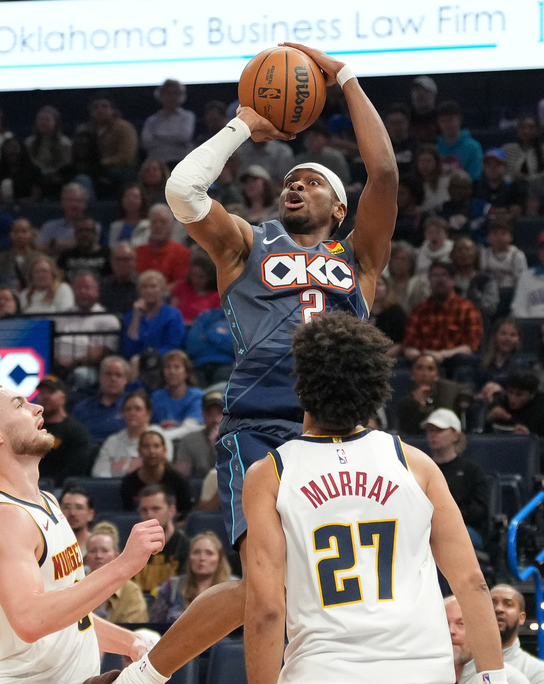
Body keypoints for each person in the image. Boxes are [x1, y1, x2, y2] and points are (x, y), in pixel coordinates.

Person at [108, 43, 398, 684]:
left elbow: (384, 174)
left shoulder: (361, 258)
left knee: (307, 585)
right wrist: (245, 123)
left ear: (340, 208)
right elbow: (183, 189)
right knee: (265, 586)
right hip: (261, 426)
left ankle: (143, 674)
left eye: (313, 180)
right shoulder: (246, 243)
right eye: (290, 180)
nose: (296, 184)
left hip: (342, 431)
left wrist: (344, 77)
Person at [241, 310, 505, 684]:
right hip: (422, 668)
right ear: (374, 388)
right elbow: (472, 582)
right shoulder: (415, 464)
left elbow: (267, 608)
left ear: (301, 388)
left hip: (325, 670)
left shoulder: (270, 474)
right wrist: (492, 678)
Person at [0, 384, 166, 683]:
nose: (37, 408)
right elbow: (31, 619)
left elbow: (69, 616)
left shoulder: (48, 502)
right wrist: (126, 564)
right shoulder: (3, 518)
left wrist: (129, 642)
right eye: (19, 405)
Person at [422, 409, 489, 548]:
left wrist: (448, 517)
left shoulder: (471, 470)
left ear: (455, 435)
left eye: (439, 430)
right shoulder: (421, 468)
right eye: (430, 430)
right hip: (425, 527)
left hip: (462, 528)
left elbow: (479, 509)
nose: (433, 435)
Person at [402, 260, 483, 366]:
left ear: (454, 280)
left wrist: (443, 355)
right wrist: (424, 358)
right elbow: (408, 345)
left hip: (453, 362)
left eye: (444, 275)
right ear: (429, 280)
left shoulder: (467, 308)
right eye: (434, 275)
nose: (439, 280)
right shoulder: (419, 310)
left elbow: (471, 345)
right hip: (421, 362)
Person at [149, 532, 230, 624]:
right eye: (196, 552)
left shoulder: (233, 588)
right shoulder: (172, 586)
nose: (202, 558)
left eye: (209, 553)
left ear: (219, 559)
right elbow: (155, 624)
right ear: (189, 558)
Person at [91, 391, 168, 479]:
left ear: (148, 414)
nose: (132, 413)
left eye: (137, 409)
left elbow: (163, 471)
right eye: (128, 409)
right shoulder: (112, 441)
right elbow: (99, 473)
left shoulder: (159, 437)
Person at [35, 375, 93, 486]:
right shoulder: (30, 427)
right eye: (42, 392)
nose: (45, 396)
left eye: (51, 392)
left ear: (64, 398)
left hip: (59, 488)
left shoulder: (76, 431)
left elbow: (76, 470)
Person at [130, 485, 188, 595]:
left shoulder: (187, 548)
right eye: (144, 510)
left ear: (172, 510)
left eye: (156, 509)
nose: (149, 515)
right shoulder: (132, 547)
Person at [490, 584, 544, 684]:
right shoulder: (464, 662)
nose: (498, 609)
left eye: (508, 604)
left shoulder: (539, 671)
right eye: (492, 603)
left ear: (521, 618)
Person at [119, 428, 192, 516]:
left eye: (156, 446)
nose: (151, 451)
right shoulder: (128, 483)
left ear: (164, 450)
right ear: (139, 451)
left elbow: (186, 515)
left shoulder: (179, 481)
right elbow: (127, 515)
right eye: (146, 446)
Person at [84, 526, 149, 625]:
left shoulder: (131, 591)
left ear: (116, 556)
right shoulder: (77, 586)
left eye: (105, 551)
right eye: (93, 551)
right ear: (86, 558)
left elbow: (134, 628)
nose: (98, 556)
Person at [397, 354, 472, 435]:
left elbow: (466, 390)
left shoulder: (449, 389)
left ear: (437, 374)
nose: (425, 373)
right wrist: (417, 405)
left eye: (430, 369)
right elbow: (409, 431)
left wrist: (464, 399)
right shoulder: (406, 402)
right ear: (412, 373)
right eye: (419, 368)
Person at [120, 271, 185, 362]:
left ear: (162, 290)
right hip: (136, 362)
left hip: (164, 361)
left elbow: (173, 346)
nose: (149, 290)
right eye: (144, 287)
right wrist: (136, 318)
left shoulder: (173, 315)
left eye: (153, 286)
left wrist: (149, 358)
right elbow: (128, 350)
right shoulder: (130, 316)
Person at [72, 356, 133, 445]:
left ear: (126, 380)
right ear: (100, 377)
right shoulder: (82, 408)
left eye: (118, 375)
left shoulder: (134, 407)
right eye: (108, 374)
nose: (113, 379)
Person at [150, 350, 203, 440]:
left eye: (177, 367)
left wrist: (162, 437)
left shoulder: (197, 396)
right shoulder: (157, 397)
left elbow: (191, 428)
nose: (172, 372)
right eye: (168, 367)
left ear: (186, 372)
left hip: (187, 443)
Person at [134, 205, 191, 288]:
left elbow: (180, 284)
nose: (158, 226)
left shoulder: (183, 253)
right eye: (154, 222)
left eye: (163, 222)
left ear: (171, 227)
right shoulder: (137, 252)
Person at [141, 80, 195, 167]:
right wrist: (174, 138)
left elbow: (184, 137)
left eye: (175, 93)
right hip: (158, 163)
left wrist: (158, 136)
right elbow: (146, 142)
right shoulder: (152, 120)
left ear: (181, 96)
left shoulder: (187, 117)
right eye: (168, 93)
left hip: (181, 162)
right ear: (161, 95)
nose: (172, 97)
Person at [173, 391, 223, 479]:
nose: (215, 419)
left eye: (219, 413)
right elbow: (181, 478)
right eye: (210, 414)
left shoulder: (237, 439)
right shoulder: (189, 440)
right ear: (203, 416)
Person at [475, 317, 526, 402]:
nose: (507, 339)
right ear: (495, 336)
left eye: (512, 335)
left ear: (518, 339)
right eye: (503, 333)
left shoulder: (523, 366)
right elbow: (472, 388)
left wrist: (501, 390)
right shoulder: (481, 363)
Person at [435, 101, 483, 180]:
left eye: (451, 119)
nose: (447, 124)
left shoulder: (474, 147)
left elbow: (475, 178)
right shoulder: (435, 147)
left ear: (459, 120)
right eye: (443, 121)